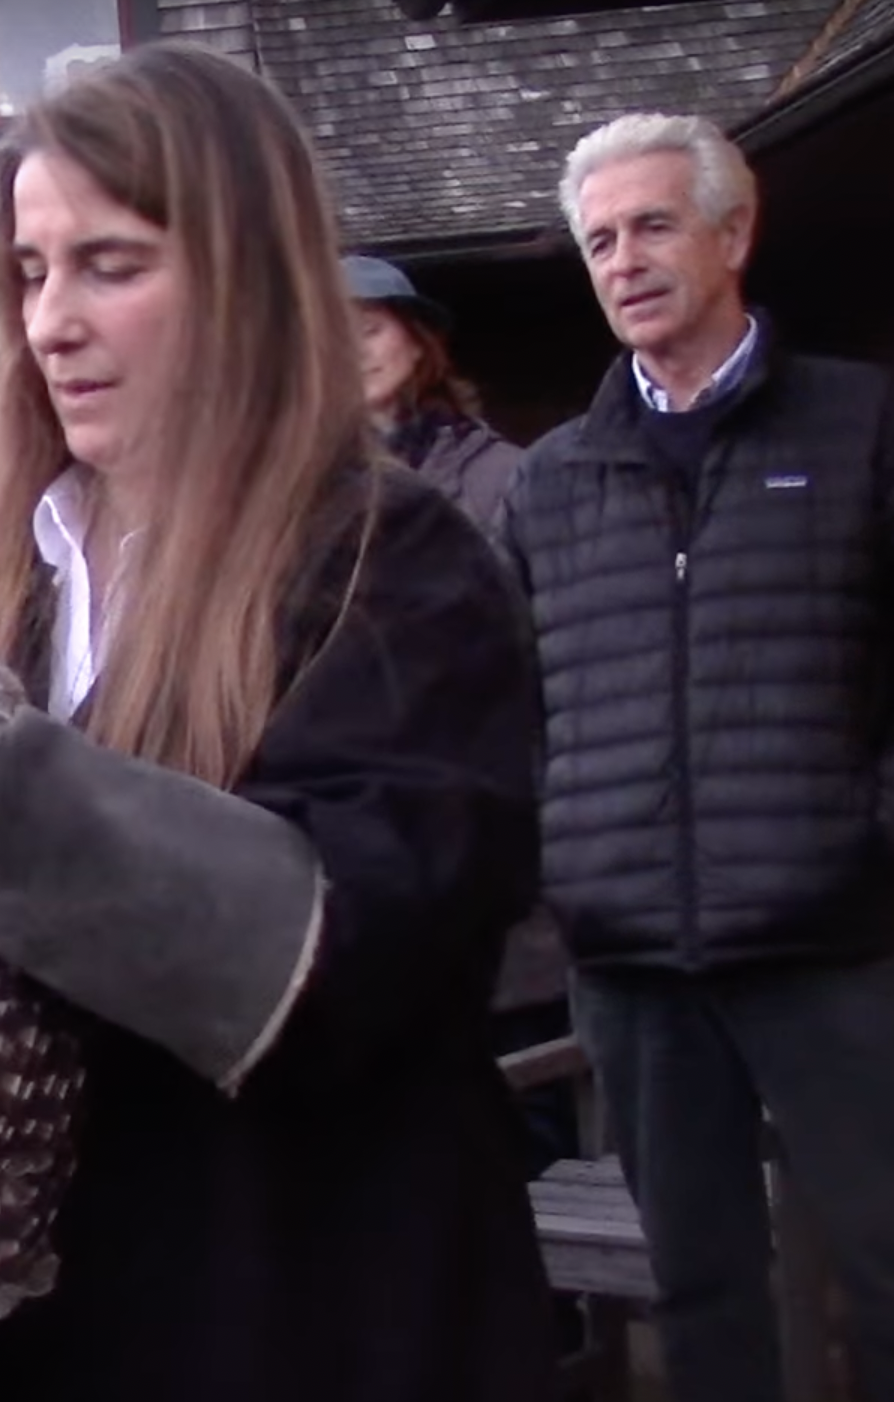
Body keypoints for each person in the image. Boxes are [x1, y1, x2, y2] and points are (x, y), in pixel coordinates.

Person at [0, 41, 555, 1401]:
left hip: (305, 1309)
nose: (52, 321)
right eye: (32, 272)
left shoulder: (395, 562)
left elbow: (339, 959)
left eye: (111, 264)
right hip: (42, 1315)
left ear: (248, 278)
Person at [498, 111, 894, 1402]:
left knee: (887, 1260)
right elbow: (515, 703)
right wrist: (567, 853)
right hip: (632, 963)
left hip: (831, 941)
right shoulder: (554, 480)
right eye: (600, 241)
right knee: (700, 1287)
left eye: (652, 226)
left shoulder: (861, 424)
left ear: (734, 231)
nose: (624, 261)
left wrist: (865, 842)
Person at [344, 253, 523, 527]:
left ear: (416, 341)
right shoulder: (303, 484)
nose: (357, 352)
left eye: (370, 331)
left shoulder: (503, 473)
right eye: (338, 339)